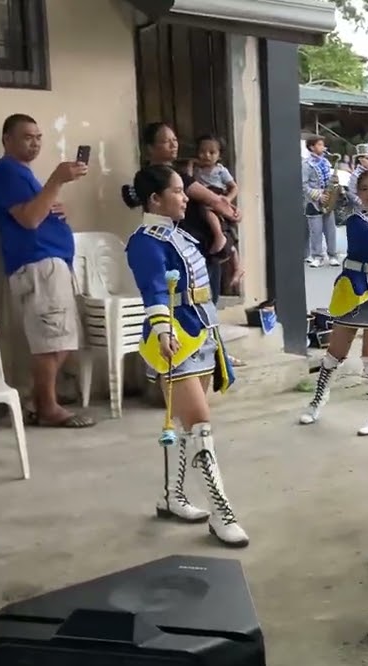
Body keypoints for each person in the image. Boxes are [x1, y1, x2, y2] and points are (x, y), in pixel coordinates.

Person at [121, 165, 247, 548]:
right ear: (155, 199)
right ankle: (222, 514)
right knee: (200, 425)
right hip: (173, 339)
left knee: (187, 423)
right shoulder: (145, 241)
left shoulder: (179, 234)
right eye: (178, 191)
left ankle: (173, 497)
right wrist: (161, 330)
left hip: (202, 335)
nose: (186, 197)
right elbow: (154, 291)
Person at [0, 113, 94, 429]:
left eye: (39, 137)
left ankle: (38, 400)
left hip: (51, 263)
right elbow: (29, 219)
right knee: (51, 340)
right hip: (37, 264)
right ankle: (48, 407)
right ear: (7, 139)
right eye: (27, 136)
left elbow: (36, 211)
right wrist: (56, 181)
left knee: (60, 338)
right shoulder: (5, 172)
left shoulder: (23, 175)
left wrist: (55, 207)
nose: (35, 142)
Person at [299, 169, 368, 434]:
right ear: (358, 192)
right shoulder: (355, 221)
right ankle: (318, 399)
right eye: (365, 188)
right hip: (353, 291)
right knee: (334, 353)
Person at [140, 122, 242, 306]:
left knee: (206, 307)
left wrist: (230, 211)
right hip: (184, 248)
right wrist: (232, 213)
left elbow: (218, 200)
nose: (173, 145)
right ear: (150, 148)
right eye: (165, 141)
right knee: (193, 308)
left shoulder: (181, 172)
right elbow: (213, 200)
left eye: (175, 140)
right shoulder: (159, 176)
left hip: (202, 250)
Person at [194, 134, 243, 290]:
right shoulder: (196, 170)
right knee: (229, 239)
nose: (206, 155)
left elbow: (234, 187)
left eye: (212, 152)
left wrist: (228, 199)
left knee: (223, 230)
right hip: (205, 199)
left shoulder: (220, 170)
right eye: (202, 151)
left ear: (219, 155)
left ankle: (218, 236)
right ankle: (237, 268)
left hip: (217, 198)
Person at [303, 135, 340, 268]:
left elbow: (330, 180)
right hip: (313, 203)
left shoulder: (325, 162)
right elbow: (303, 185)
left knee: (330, 230)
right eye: (319, 144)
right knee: (315, 231)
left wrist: (334, 184)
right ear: (312, 147)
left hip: (328, 199)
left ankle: (333, 255)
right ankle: (317, 256)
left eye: (323, 144)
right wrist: (319, 196)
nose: (323, 147)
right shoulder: (306, 165)